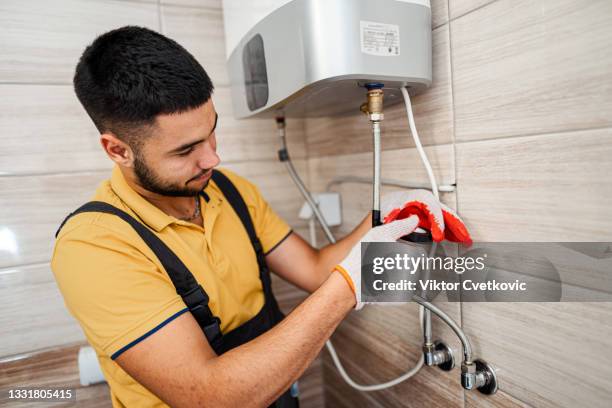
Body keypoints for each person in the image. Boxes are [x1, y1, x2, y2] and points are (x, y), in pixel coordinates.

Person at [51, 26, 459, 408]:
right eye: (184, 151)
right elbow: (213, 397)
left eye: (211, 130)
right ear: (118, 150)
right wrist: (349, 286)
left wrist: (384, 214)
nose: (213, 158)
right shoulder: (93, 247)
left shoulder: (229, 190)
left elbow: (316, 270)